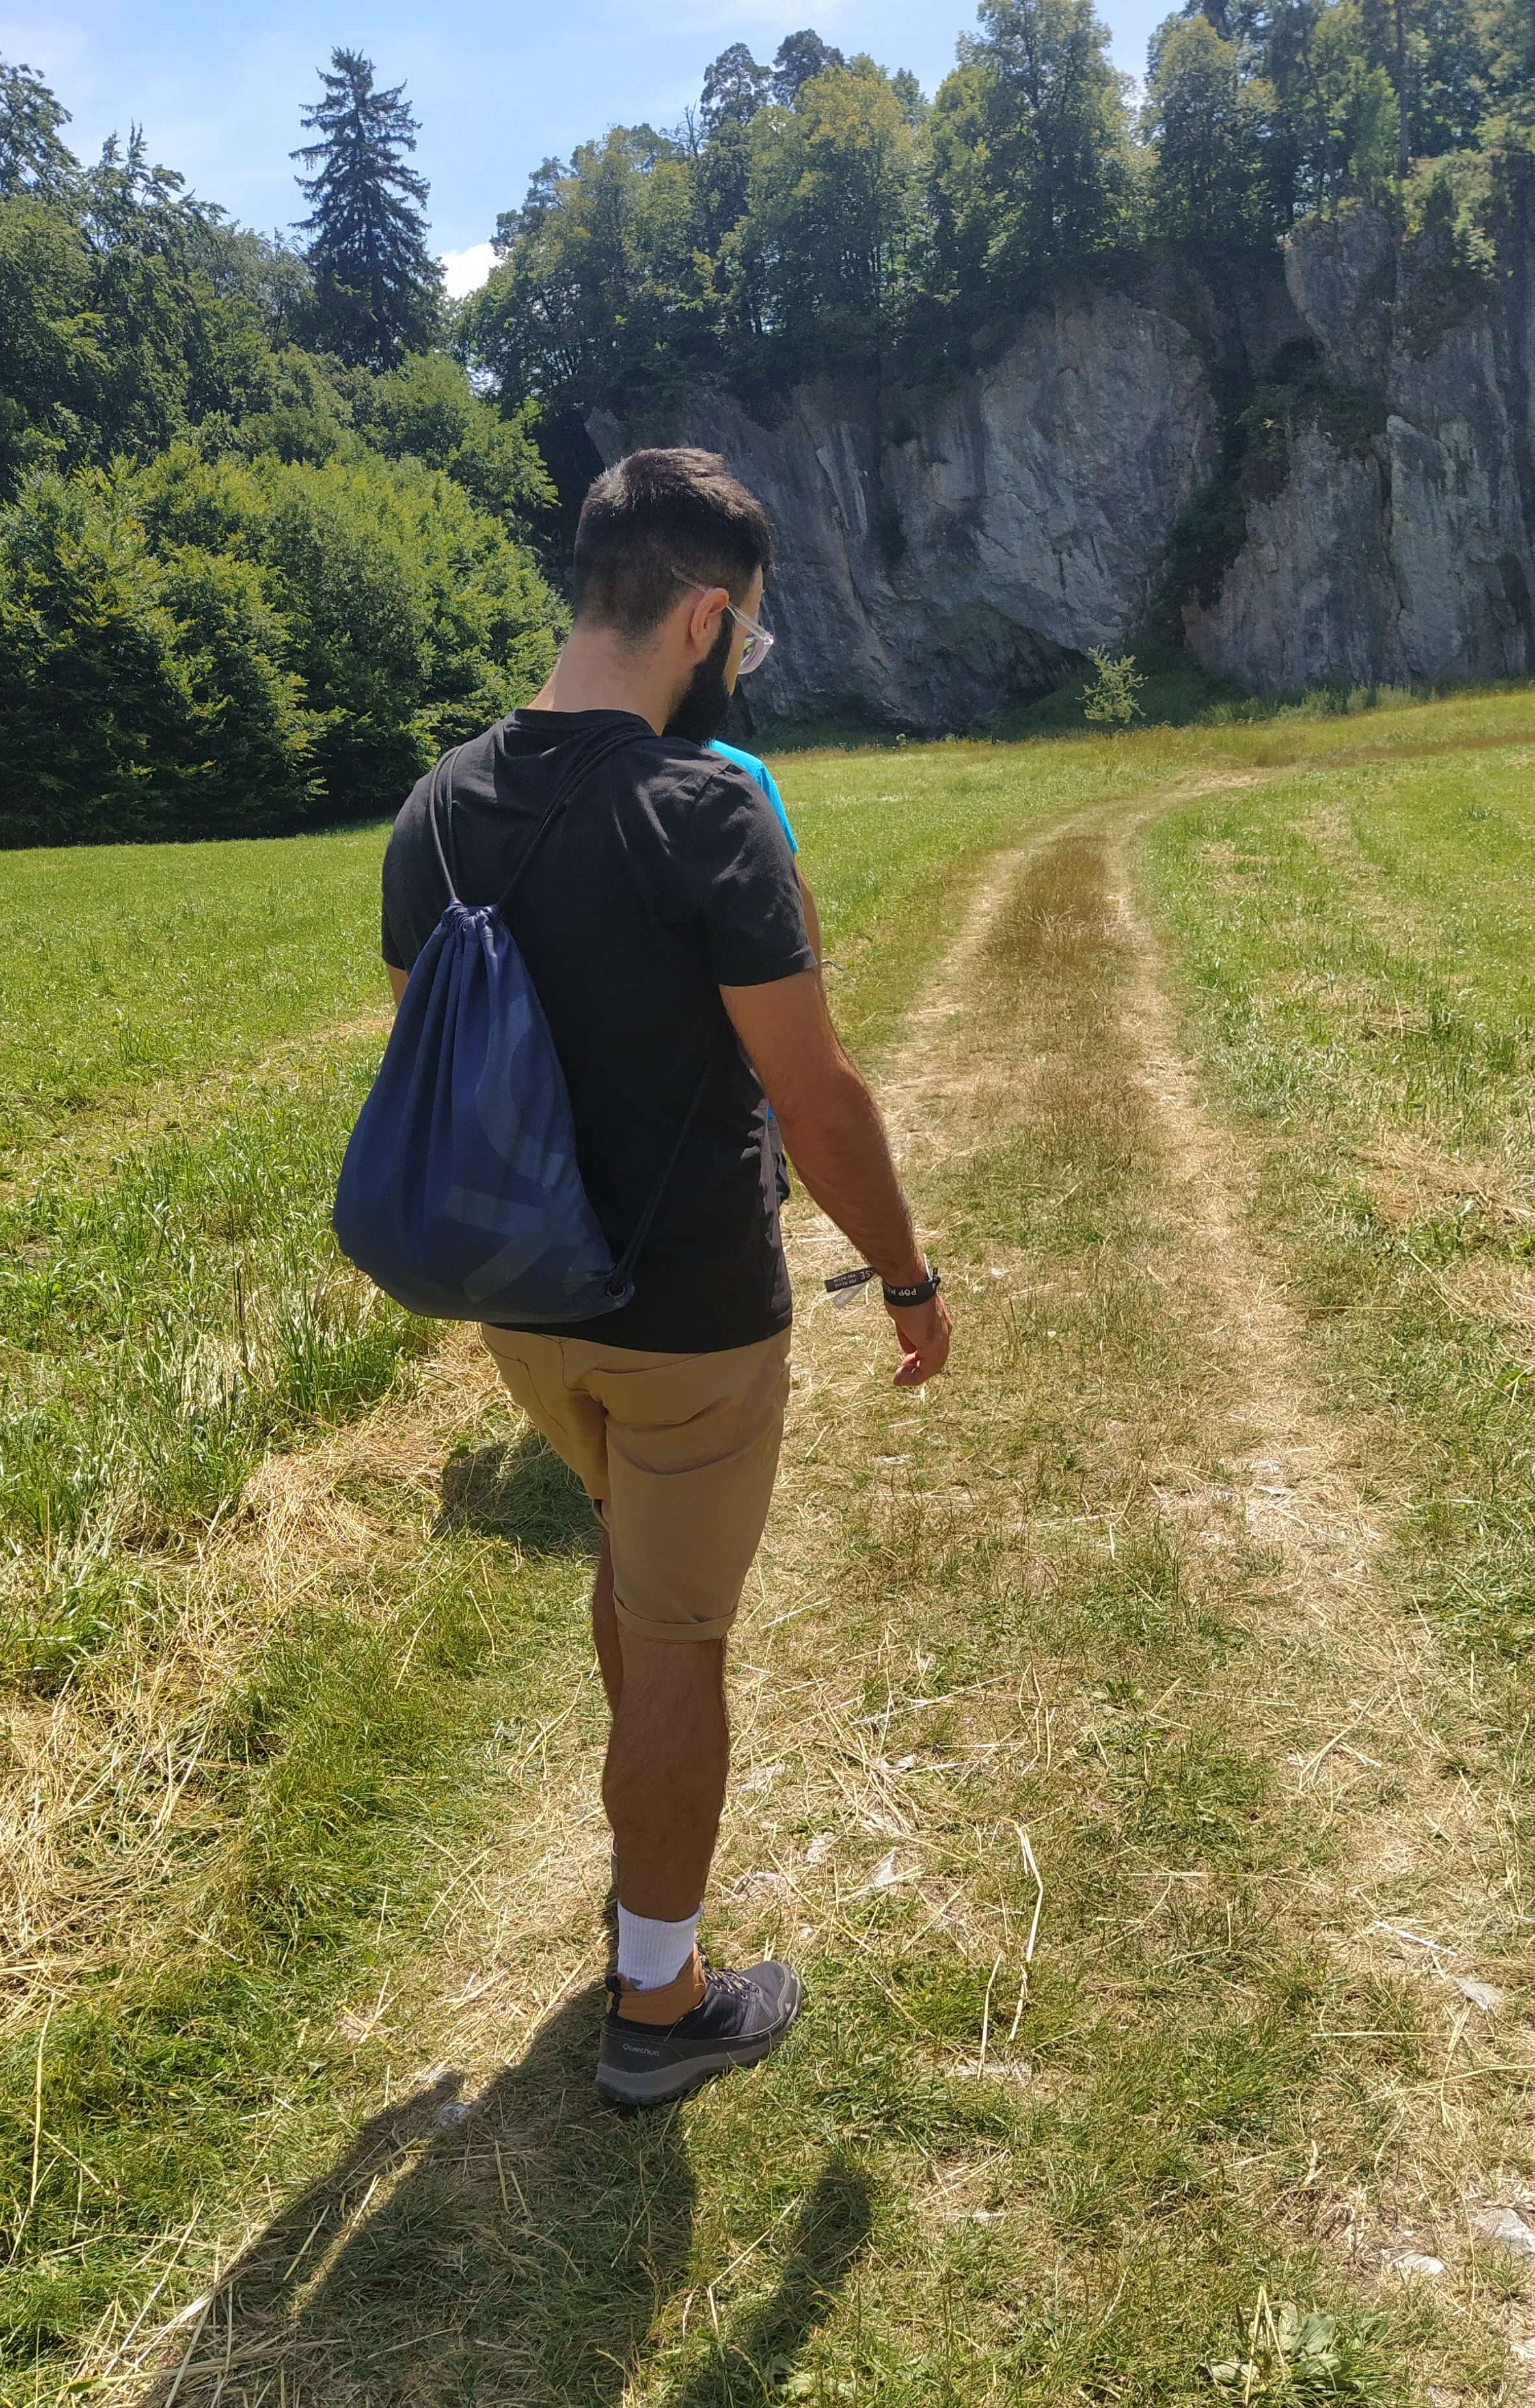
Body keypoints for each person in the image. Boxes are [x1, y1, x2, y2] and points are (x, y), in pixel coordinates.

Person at [379, 448, 952, 2108]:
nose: (741, 660)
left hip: (520, 1305)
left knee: (632, 1571)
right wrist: (906, 1275)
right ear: (705, 616)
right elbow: (815, 1097)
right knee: (684, 1635)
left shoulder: (437, 805)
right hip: (690, 1314)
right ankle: (661, 2000)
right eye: (746, 633)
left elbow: (436, 1056)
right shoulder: (708, 811)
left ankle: (641, 1882)